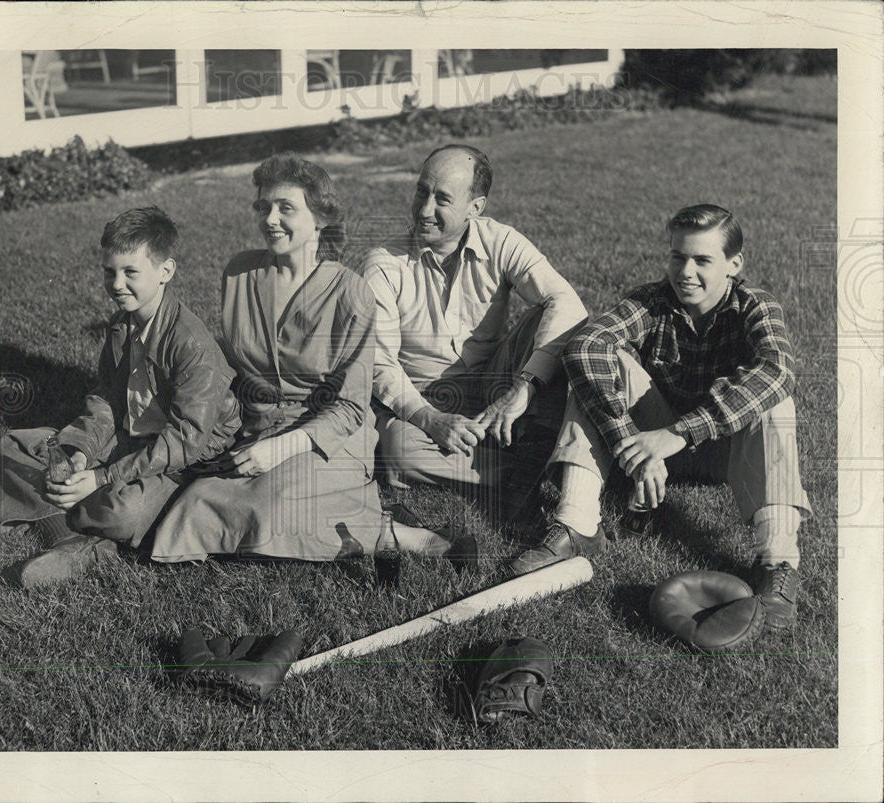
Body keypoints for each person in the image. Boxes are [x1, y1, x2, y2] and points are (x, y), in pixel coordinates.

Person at [509, 204, 812, 627]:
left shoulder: (755, 306)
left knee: (776, 400)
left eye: (702, 260)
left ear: (734, 264)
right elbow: (585, 347)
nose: (685, 271)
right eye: (677, 256)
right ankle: (577, 524)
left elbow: (778, 371)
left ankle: (777, 563)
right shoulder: (651, 301)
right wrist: (630, 445)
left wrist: (677, 434)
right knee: (596, 365)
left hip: (725, 451)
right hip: (653, 439)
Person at [149, 154, 459, 563]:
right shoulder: (238, 273)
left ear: (320, 218)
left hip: (328, 438)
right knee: (197, 496)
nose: (270, 219)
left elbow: (351, 405)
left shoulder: (351, 293)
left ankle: (394, 532)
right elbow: (234, 369)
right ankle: (359, 523)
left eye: (286, 208)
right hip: (256, 431)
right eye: (263, 207)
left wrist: (280, 450)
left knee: (275, 510)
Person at [0, 206, 241, 587]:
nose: (117, 283)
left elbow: (186, 441)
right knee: (14, 444)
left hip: (188, 460)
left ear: (166, 272)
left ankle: (65, 529)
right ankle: (76, 530)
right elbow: (106, 399)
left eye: (130, 272)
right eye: (110, 271)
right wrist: (80, 452)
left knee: (123, 512)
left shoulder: (193, 345)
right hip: (133, 438)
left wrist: (102, 476)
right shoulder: (122, 324)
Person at [361, 144, 588, 518]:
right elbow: (380, 364)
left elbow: (566, 300)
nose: (424, 209)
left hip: (494, 381)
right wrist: (431, 420)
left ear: (475, 207)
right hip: (423, 398)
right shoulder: (383, 264)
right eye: (421, 191)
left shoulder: (501, 241)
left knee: (552, 323)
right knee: (400, 450)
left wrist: (523, 387)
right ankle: (532, 468)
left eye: (442, 199)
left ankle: (519, 450)